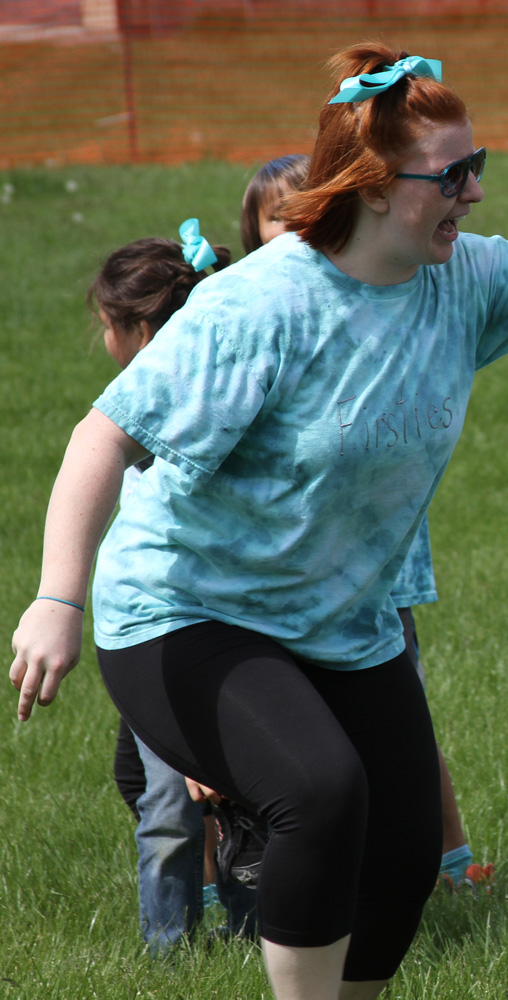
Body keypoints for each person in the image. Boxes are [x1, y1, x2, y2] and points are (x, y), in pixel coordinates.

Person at [9, 43, 508, 1000]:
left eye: (474, 168)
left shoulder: (465, 283)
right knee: (320, 792)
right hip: (186, 612)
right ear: (368, 186)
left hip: (338, 626)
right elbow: (100, 437)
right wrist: (56, 599)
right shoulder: (262, 303)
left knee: (404, 855)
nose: (473, 193)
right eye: (451, 175)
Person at [240, 154, 486, 892]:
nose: (298, 227)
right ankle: (263, 880)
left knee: (399, 722)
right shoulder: (246, 311)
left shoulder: (393, 294)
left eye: (308, 207)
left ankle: (444, 862)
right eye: (279, 218)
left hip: (377, 574)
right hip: (282, 579)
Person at [91, 230, 260, 952]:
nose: (103, 340)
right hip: (154, 633)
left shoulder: (189, 418)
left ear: (138, 331)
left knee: (201, 797)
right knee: (158, 790)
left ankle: (233, 938)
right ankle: (185, 943)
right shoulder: (138, 407)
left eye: (105, 326)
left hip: (197, 634)